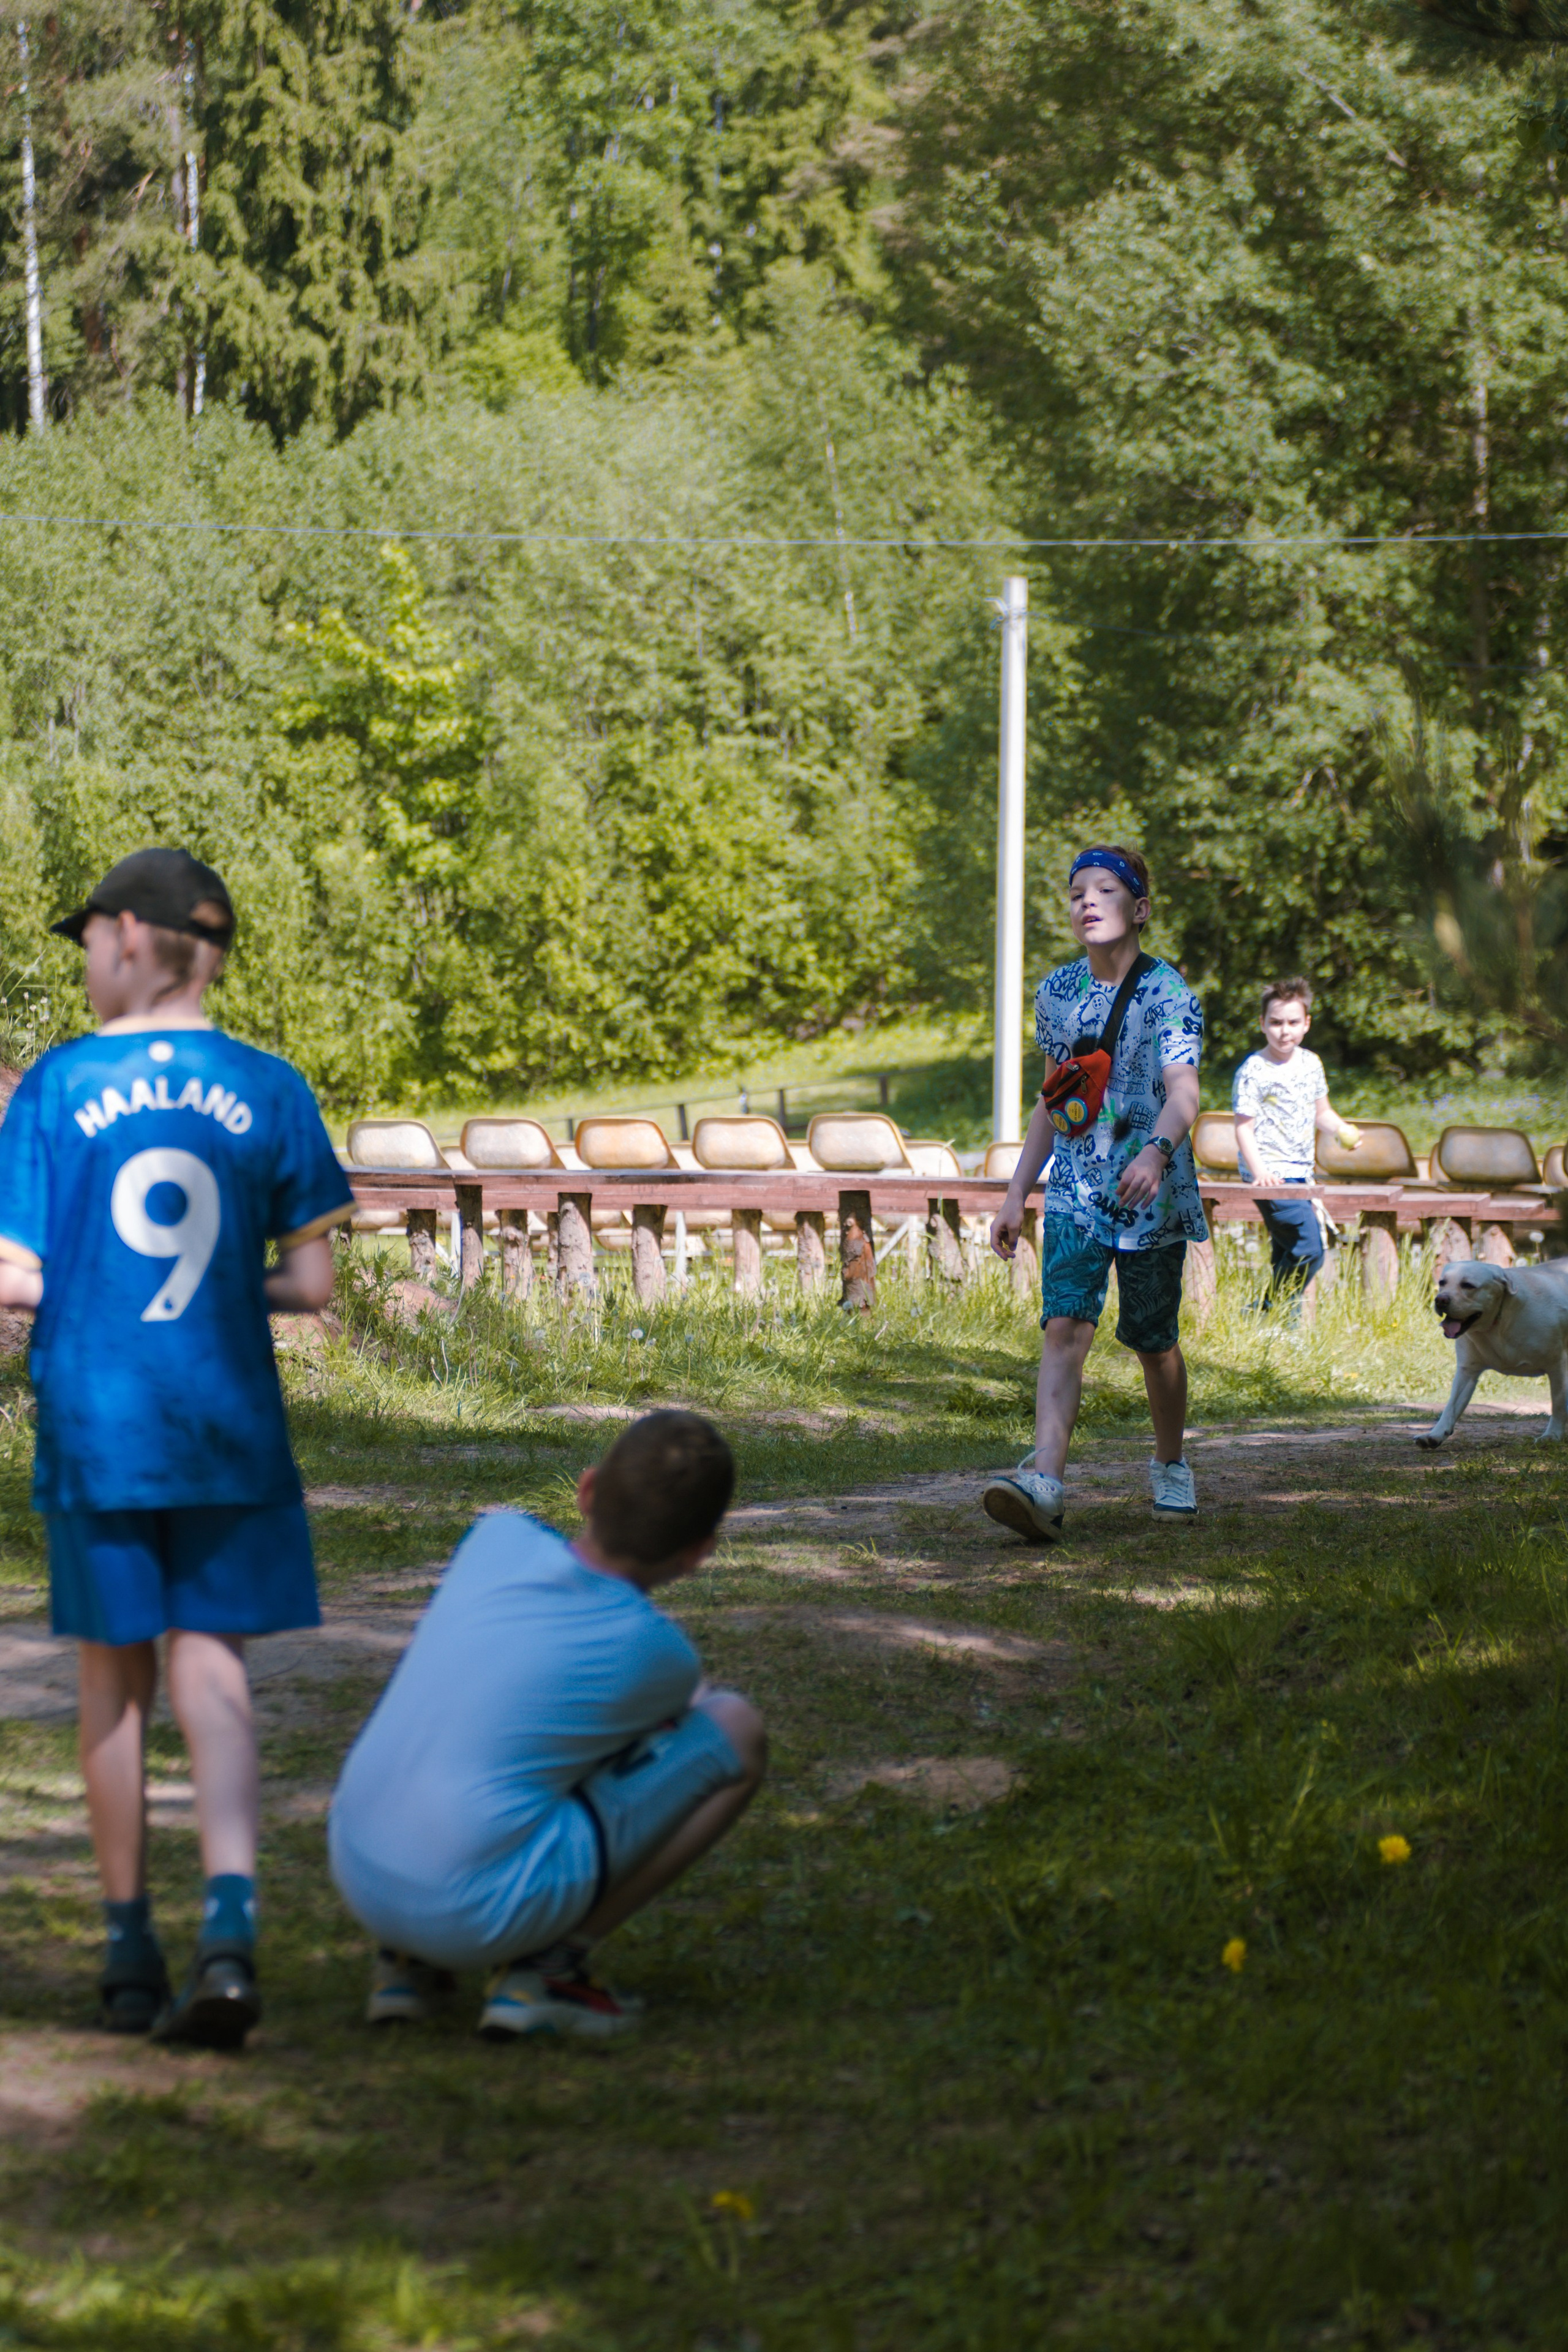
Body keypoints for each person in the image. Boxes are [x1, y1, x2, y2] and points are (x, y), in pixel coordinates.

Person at [0, 848, 353, 2047]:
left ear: (133, 940)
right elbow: (309, 1280)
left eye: (88, 941)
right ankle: (233, 1927)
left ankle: (125, 1952)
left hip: (98, 1426)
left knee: (113, 1678)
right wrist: (217, 1301)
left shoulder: (51, 1089)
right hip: (225, 1424)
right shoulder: (272, 1086)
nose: (88, 962)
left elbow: (20, 1273)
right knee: (213, 1666)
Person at [328, 1409, 766, 2041]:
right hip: (472, 1910)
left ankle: (404, 1964)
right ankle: (548, 1971)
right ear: (699, 1555)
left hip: (356, 1866)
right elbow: (682, 1715)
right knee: (735, 1728)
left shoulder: (495, 1536)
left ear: (586, 1490)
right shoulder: (659, 1653)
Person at [985, 846, 1207, 1544]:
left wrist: (1155, 1149)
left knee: (1152, 1339)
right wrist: (1017, 1192)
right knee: (1064, 1325)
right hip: (1078, 1186)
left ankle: (1170, 1463)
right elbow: (1052, 1099)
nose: (1086, 902)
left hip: (1151, 1192)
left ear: (1138, 908)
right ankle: (1044, 1479)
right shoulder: (1055, 993)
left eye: (1104, 891)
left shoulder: (1171, 995)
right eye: (1077, 891)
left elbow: (1185, 1094)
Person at [1232, 978, 1360, 1306]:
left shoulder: (1311, 1064)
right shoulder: (1254, 1069)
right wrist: (1260, 1172)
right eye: (1275, 1022)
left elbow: (1323, 1113)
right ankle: (1263, 1308)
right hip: (1269, 1175)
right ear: (1262, 1024)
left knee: (1286, 1250)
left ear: (1307, 1024)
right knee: (1309, 1248)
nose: (1284, 1031)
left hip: (1301, 1173)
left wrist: (1343, 1130)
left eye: (1292, 1022)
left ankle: (1280, 1330)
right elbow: (1244, 1128)